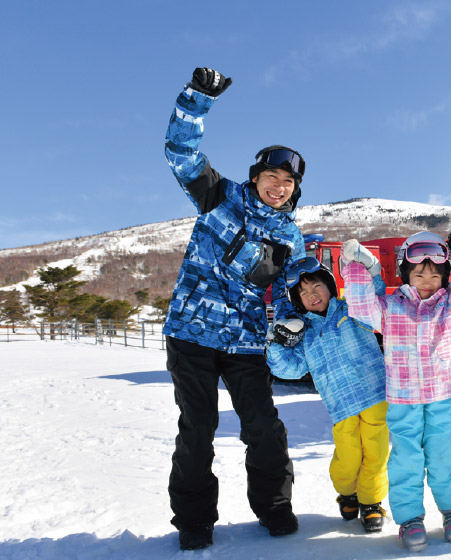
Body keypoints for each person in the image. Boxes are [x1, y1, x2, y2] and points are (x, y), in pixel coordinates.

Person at [163, 67, 305, 550]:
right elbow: (179, 153)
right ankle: (194, 519)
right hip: (191, 334)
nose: (279, 186)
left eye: (288, 181)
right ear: (256, 177)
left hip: (245, 340)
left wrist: (290, 323)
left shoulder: (289, 235)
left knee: (264, 427)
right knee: (197, 429)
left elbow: (289, 288)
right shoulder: (219, 195)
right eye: (271, 176)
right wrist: (197, 98)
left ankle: (275, 506)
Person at [341, 213, 451, 552]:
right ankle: (409, 519)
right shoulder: (391, 308)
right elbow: (360, 306)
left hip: (444, 394)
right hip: (404, 399)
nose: (427, 279)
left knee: (442, 455)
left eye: (435, 273)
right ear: (406, 273)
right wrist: (355, 266)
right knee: (406, 458)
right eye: (419, 272)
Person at [266, 256, 390, 533]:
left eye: (316, 287)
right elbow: (290, 369)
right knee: (348, 459)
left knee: (376, 455)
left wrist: (372, 272)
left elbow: (379, 301)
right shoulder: (305, 332)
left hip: (375, 397)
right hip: (341, 405)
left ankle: (371, 502)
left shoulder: (352, 309)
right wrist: (277, 342)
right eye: (304, 293)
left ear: (331, 286)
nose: (312, 296)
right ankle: (347, 493)